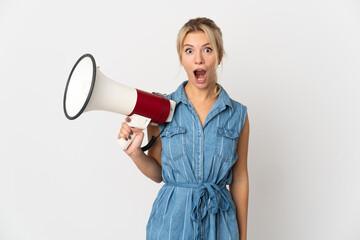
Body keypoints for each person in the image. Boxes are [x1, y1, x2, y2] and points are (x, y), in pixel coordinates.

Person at [118, 17, 250, 240]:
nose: (198, 59)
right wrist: (135, 154)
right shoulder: (161, 109)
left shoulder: (238, 114)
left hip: (220, 224)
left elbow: (240, 179)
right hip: (172, 223)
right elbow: (159, 173)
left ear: (219, 56)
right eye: (189, 51)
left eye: (207, 50)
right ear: (181, 58)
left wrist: (243, 237)